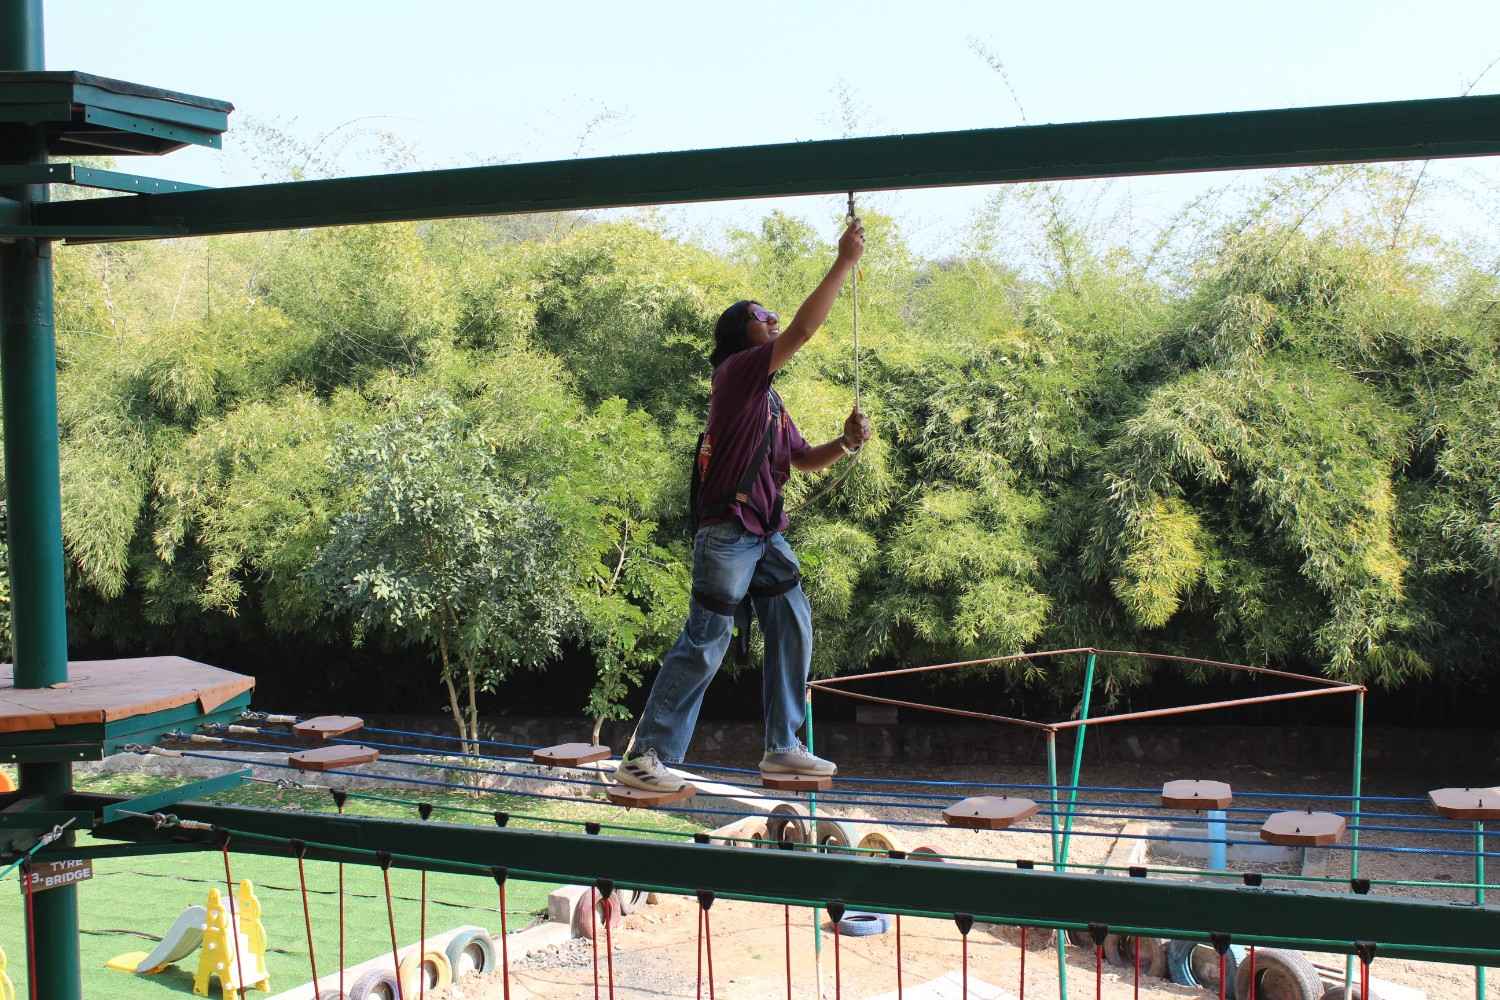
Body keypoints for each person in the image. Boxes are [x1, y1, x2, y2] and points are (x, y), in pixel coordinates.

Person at [617, 216, 870, 792]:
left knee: (793, 619)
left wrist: (847, 441)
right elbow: (803, 332)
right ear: (741, 335)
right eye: (762, 316)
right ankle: (644, 757)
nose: (773, 320)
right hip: (729, 532)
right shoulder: (735, 375)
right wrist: (843, 263)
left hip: (761, 535)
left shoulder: (770, 402)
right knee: (707, 638)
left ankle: (783, 747)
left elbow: (803, 459)